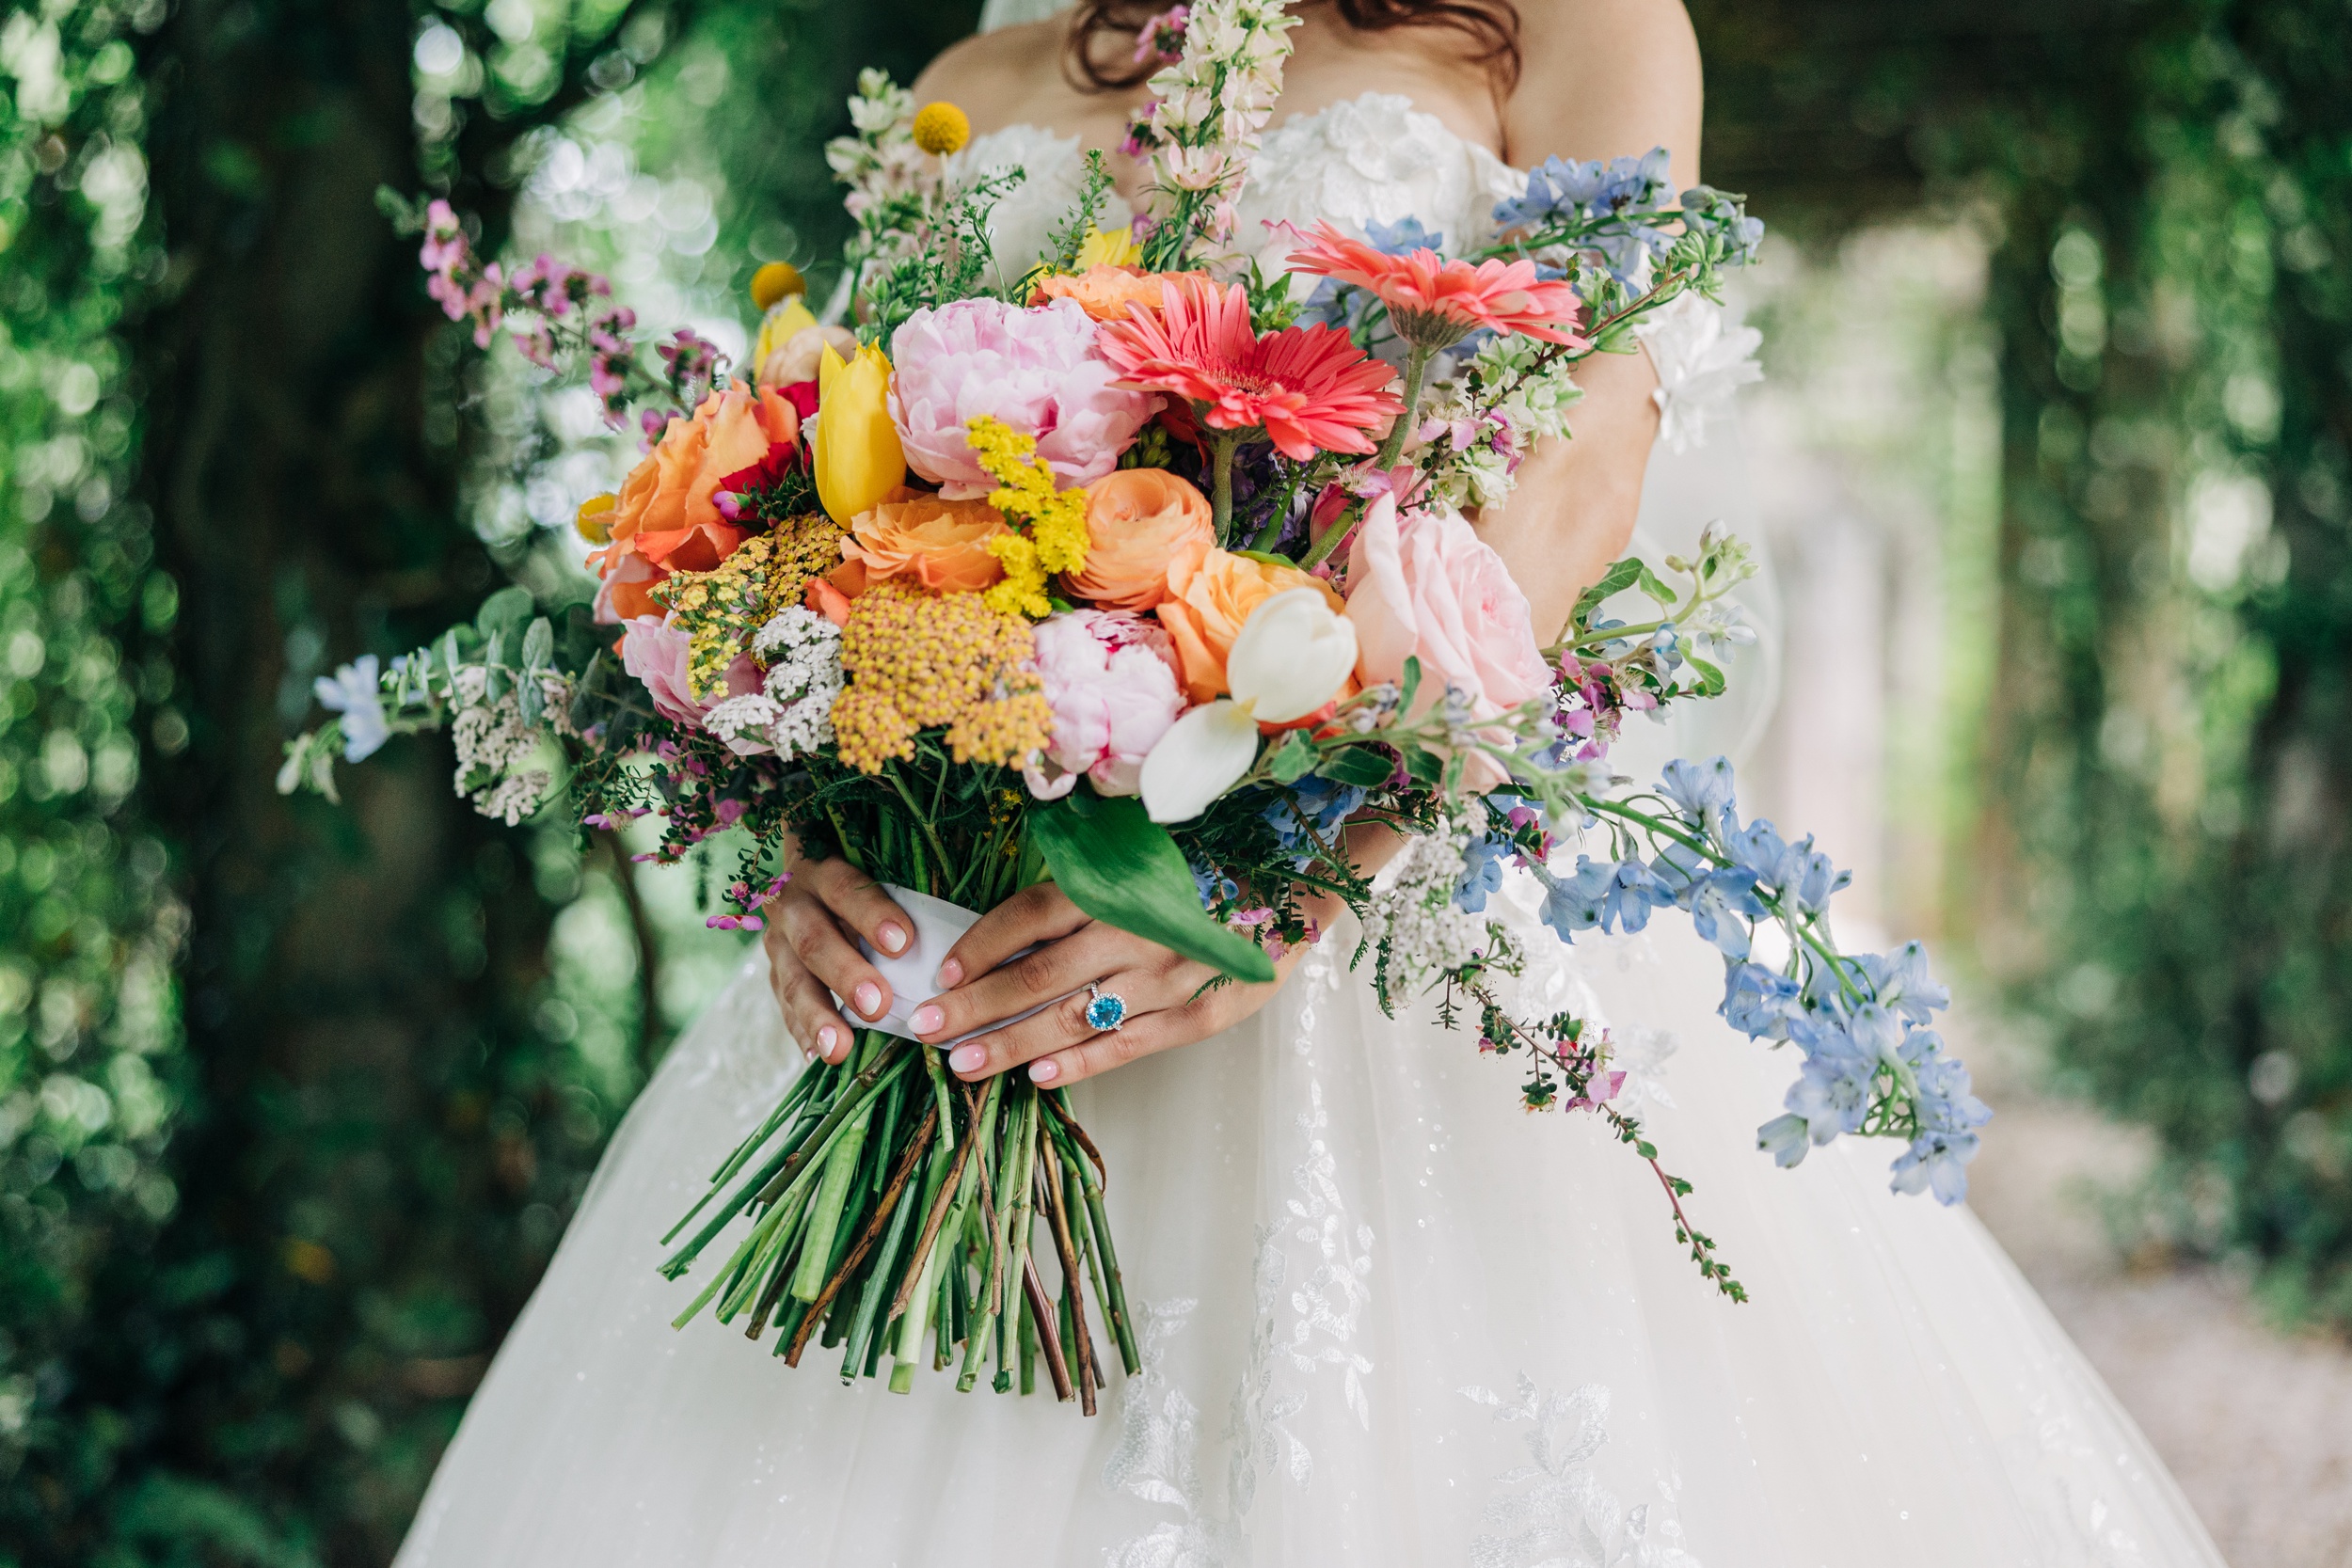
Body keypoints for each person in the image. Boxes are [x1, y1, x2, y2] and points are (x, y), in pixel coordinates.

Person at [395, 4, 2229, 1563]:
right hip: (955, 951)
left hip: (1393, 911)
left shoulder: (1564, 25)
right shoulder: (982, 63)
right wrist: (814, 846)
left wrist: (1296, 869)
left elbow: (1576, 471)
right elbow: (846, 511)